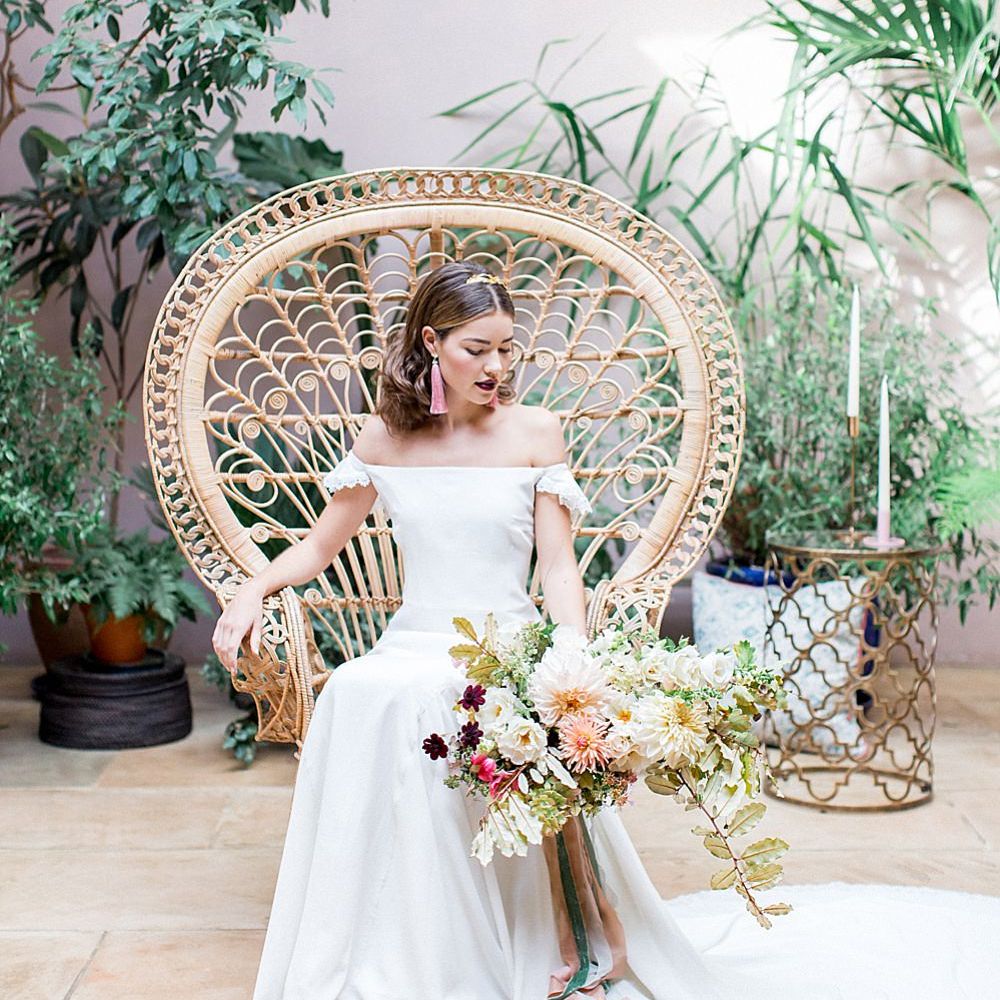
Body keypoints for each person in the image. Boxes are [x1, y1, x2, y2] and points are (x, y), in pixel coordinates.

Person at [213, 261, 1000, 1000]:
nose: (496, 367)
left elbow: (558, 568)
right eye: (476, 349)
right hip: (416, 637)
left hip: (508, 638)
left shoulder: (534, 433)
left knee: (449, 699)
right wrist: (251, 588)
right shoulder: (384, 441)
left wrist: (570, 648)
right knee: (361, 691)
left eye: (507, 350)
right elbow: (319, 548)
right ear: (431, 344)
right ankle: (401, 941)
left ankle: (575, 932)